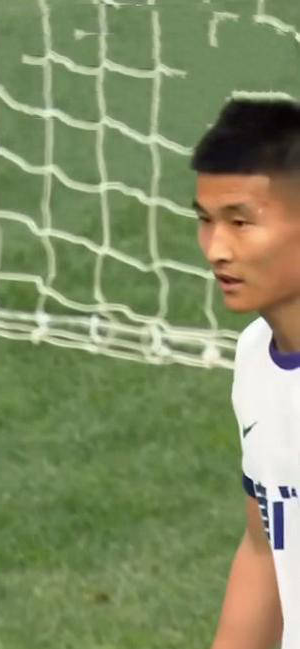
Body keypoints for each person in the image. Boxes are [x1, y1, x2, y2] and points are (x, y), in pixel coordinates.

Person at [196, 98, 300, 649]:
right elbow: (265, 547)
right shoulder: (256, 354)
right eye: (205, 221)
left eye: (240, 222)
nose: (216, 249)